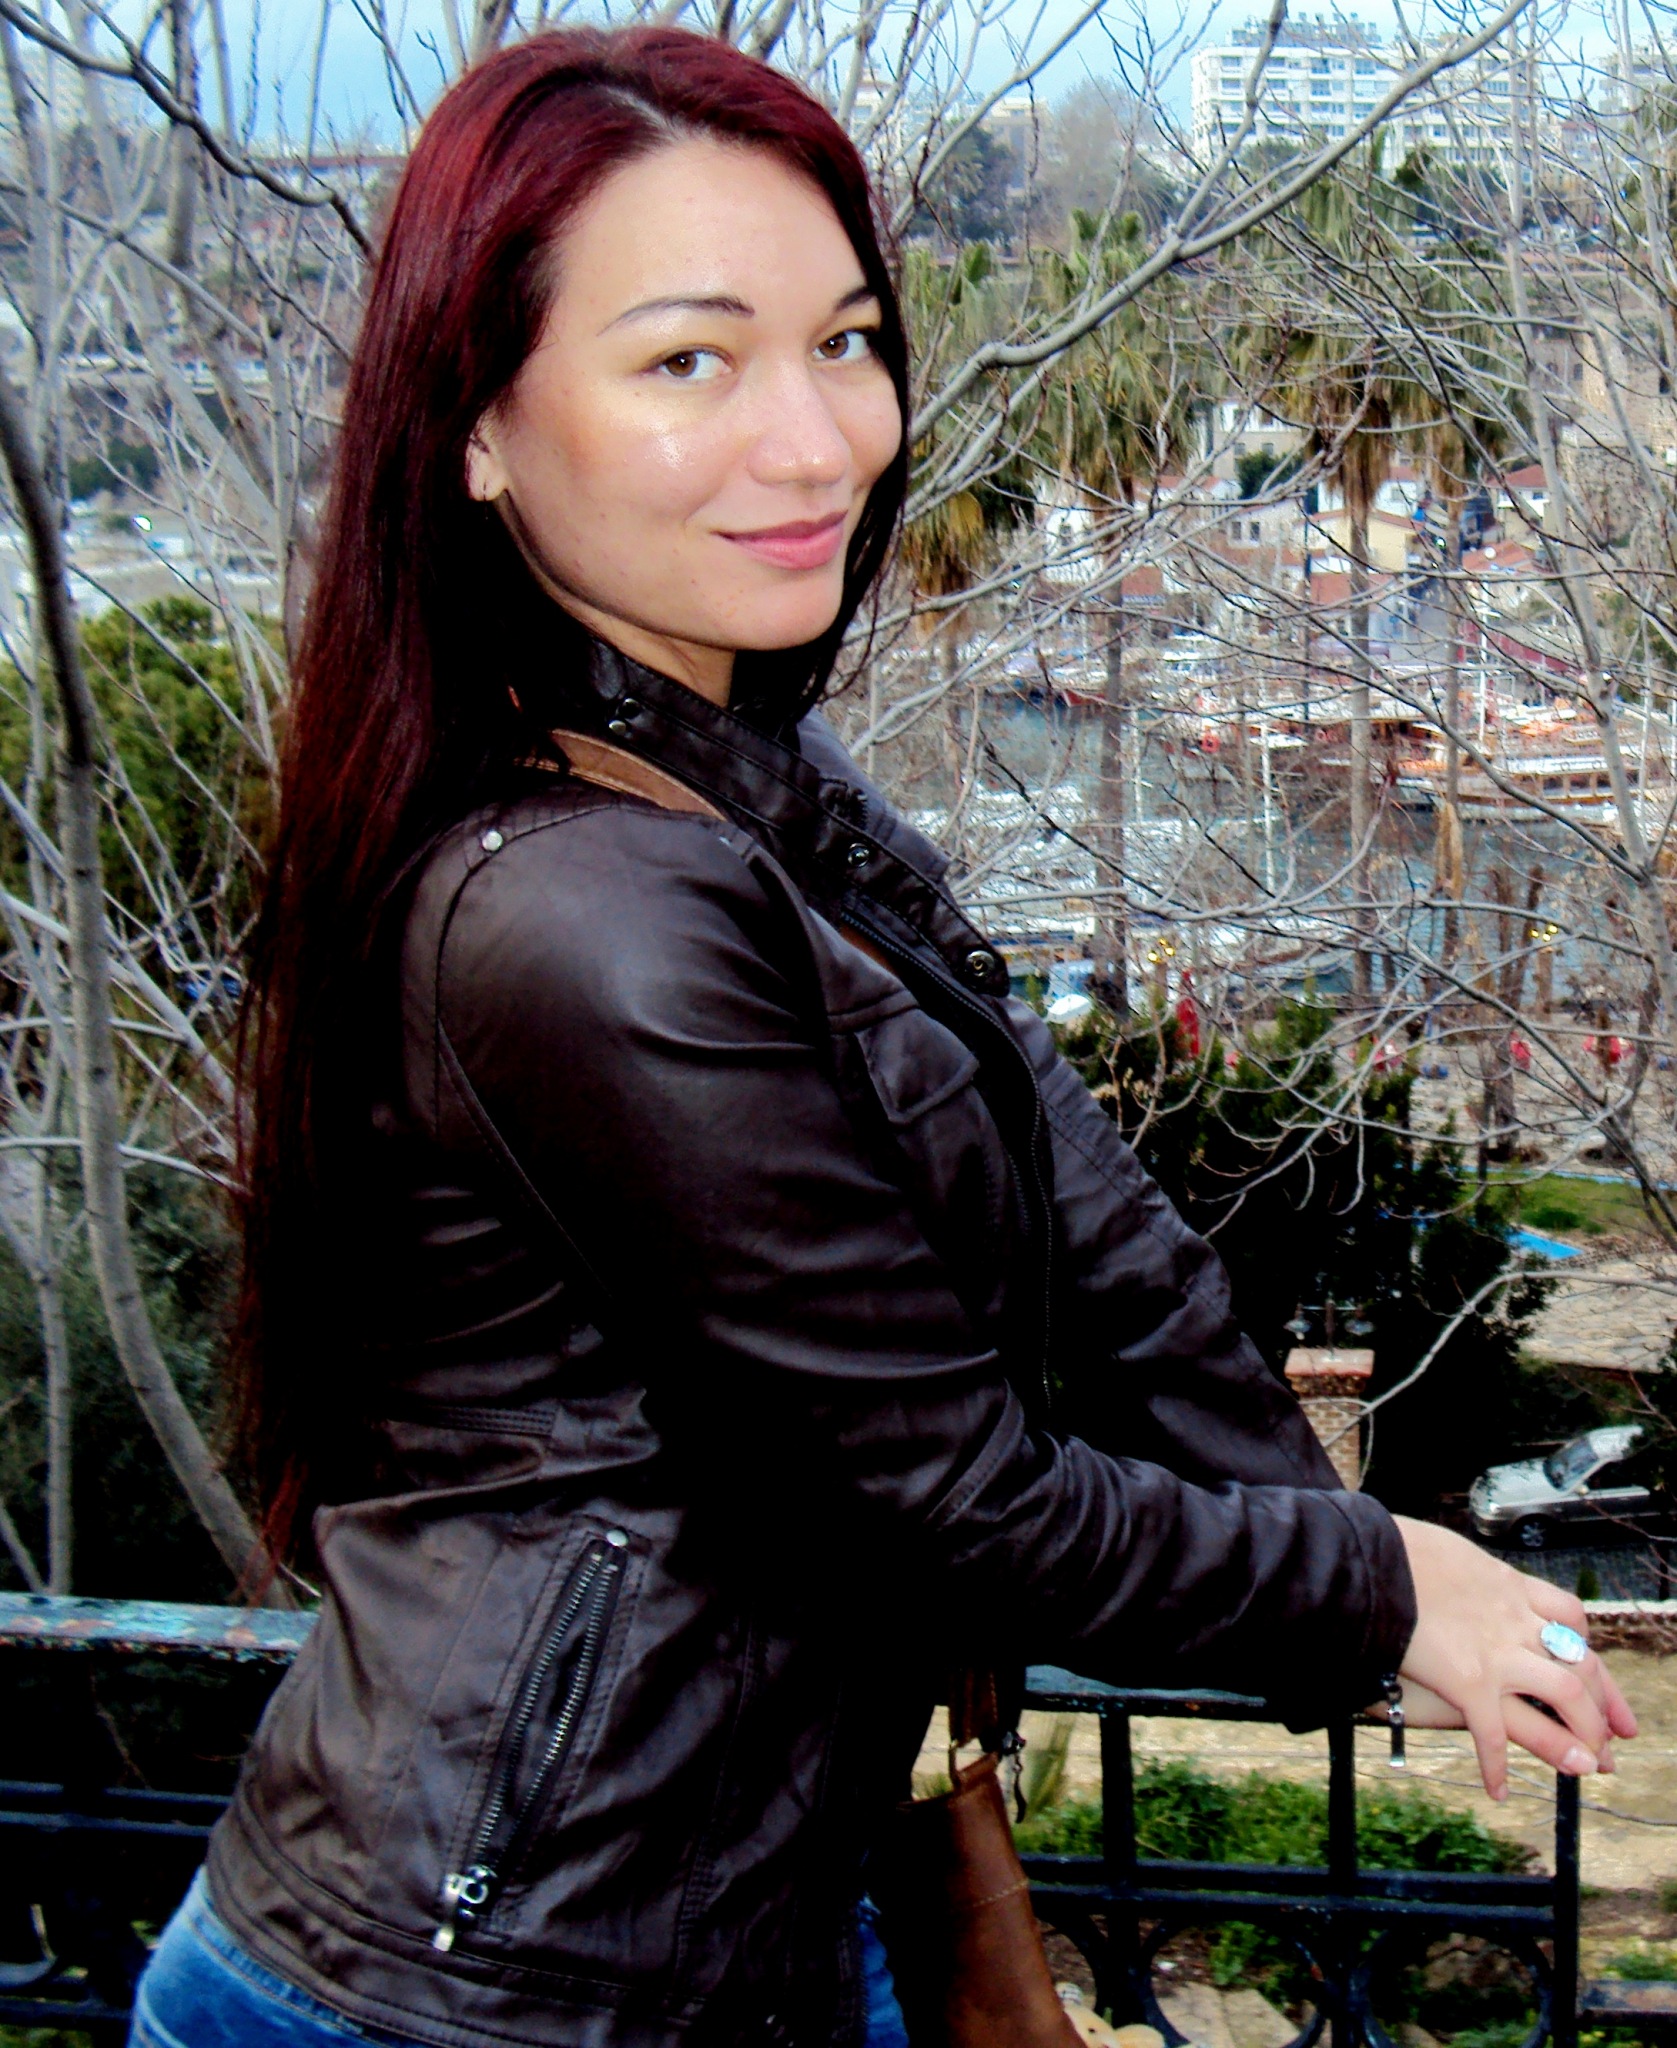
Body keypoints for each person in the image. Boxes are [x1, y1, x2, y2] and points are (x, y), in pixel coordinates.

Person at [129, 26, 1634, 2048]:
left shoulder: (733, 770)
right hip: (481, 1981)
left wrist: (1347, 1556)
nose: (817, 439)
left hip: (742, 1916)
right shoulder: (573, 912)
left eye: (843, 342)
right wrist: (1364, 1590)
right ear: (474, 425)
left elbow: (1085, 1207)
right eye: (689, 360)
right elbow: (945, 1490)